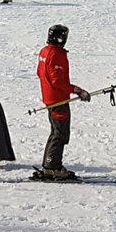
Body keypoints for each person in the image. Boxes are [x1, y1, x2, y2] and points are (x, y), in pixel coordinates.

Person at [34, 25, 89, 181]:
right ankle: (52, 167)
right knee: (60, 133)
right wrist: (76, 90)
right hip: (58, 99)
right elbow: (57, 80)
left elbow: (40, 72)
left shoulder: (44, 51)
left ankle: (49, 164)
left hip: (50, 97)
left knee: (56, 131)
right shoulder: (57, 55)